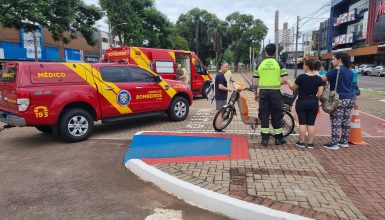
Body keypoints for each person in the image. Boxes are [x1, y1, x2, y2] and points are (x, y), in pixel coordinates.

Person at [253, 44, 288, 146]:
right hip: (275, 93)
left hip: (263, 93)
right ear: (275, 52)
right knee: (277, 115)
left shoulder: (260, 64)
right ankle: (278, 139)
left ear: (265, 52)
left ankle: (265, 139)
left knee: (264, 115)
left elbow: (255, 82)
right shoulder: (279, 64)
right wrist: (277, 83)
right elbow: (285, 79)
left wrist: (256, 94)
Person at [320, 52, 355, 150]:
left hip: (338, 98)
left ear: (339, 60)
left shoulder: (337, 70)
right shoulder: (350, 71)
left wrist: (312, 76)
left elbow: (323, 78)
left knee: (336, 121)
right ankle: (344, 141)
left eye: (333, 59)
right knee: (345, 121)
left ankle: (334, 143)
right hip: (350, 98)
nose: (332, 61)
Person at [287, 59, 323, 149]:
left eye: (303, 65)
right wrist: (314, 99)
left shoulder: (301, 77)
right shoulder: (319, 79)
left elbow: (293, 88)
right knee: (311, 123)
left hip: (302, 102)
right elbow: (320, 94)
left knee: (302, 123)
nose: (303, 67)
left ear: (306, 66)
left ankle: (301, 142)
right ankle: (310, 143)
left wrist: (287, 81)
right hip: (313, 102)